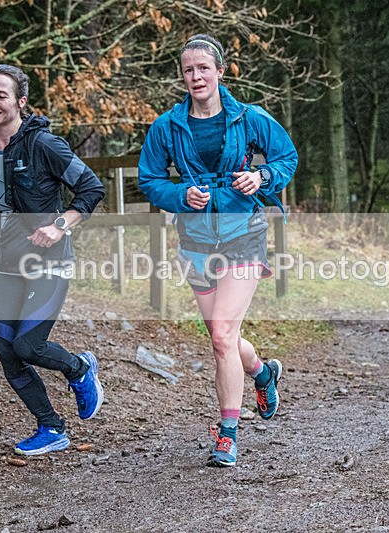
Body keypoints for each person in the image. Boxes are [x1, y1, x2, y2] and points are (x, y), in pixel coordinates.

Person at [138, 34, 297, 467]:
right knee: (221, 337)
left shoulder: (249, 117)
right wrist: (178, 196)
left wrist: (261, 179)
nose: (196, 76)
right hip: (195, 242)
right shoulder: (167, 126)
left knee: (224, 336)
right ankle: (263, 374)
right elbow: (149, 179)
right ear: (182, 76)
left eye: (203, 68)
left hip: (243, 234)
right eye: (188, 70)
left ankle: (227, 433)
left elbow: (287, 157)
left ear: (220, 71)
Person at [0, 64, 106, 455]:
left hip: (48, 263)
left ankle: (79, 368)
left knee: (29, 346)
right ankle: (51, 428)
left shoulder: (44, 145)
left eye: (1, 95)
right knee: (8, 354)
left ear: (21, 102)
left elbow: (92, 188)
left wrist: (60, 225)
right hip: (3, 268)